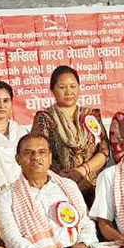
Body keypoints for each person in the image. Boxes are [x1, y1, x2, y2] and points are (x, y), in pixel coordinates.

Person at [31, 65, 111, 203]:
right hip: (60, 186)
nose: (68, 91)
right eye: (62, 87)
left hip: (94, 186)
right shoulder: (45, 118)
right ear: (52, 90)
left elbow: (104, 151)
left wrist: (82, 171)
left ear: (79, 88)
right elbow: (40, 153)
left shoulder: (91, 115)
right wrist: (65, 178)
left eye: (73, 86)